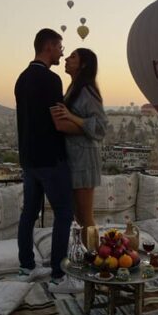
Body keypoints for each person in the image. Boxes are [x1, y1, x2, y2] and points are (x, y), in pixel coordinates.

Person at [14, 28, 81, 293]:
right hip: (51, 158)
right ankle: (58, 275)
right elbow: (58, 121)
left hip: (28, 159)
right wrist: (84, 128)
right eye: (60, 47)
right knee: (64, 212)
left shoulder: (21, 79)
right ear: (49, 46)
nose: (62, 52)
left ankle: (26, 267)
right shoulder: (51, 80)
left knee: (29, 213)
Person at [51, 48, 107, 230]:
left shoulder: (87, 91)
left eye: (73, 56)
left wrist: (72, 117)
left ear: (83, 65)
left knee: (85, 217)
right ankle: (85, 254)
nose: (66, 59)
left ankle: (95, 256)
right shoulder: (73, 89)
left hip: (84, 160)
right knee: (78, 217)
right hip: (74, 158)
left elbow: (100, 127)